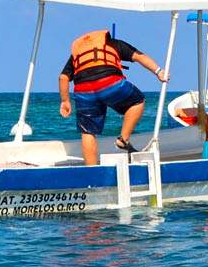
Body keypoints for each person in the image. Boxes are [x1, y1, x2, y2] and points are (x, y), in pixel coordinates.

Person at [59, 29, 169, 165]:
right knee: (137, 101)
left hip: (84, 90)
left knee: (88, 132)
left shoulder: (78, 53)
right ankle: (123, 140)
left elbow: (63, 77)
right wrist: (159, 72)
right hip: (108, 83)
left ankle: (91, 172)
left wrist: (65, 101)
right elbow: (139, 56)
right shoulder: (114, 44)